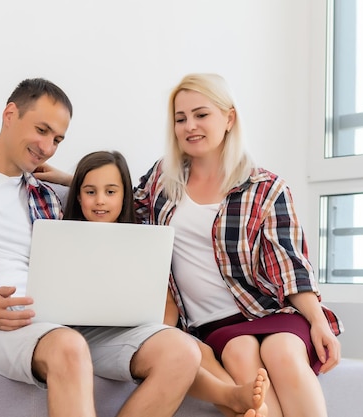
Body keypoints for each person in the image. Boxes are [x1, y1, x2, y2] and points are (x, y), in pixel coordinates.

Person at [0, 78, 202, 417]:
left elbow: (122, 207)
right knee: (67, 347)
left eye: (57, 139)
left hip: (55, 323)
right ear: (10, 114)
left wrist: (76, 180)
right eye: (41, 130)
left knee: (180, 351)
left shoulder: (45, 196)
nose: (47, 146)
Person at [132, 73, 344, 417]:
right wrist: (72, 178)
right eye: (180, 118)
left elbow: (289, 265)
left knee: (283, 353)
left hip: (268, 311)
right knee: (240, 353)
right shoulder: (162, 179)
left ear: (228, 118)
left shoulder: (267, 188)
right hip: (213, 325)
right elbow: (119, 202)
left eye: (201, 115)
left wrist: (319, 322)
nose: (190, 126)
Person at [59, 150, 268, 417]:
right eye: (90, 192)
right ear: (78, 195)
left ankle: (237, 403)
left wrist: (160, 331)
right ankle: (232, 397)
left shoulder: (141, 239)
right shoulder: (63, 237)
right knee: (181, 350)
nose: (100, 201)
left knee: (192, 347)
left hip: (134, 333)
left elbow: (167, 300)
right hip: (83, 336)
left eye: (111, 192)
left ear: (125, 196)